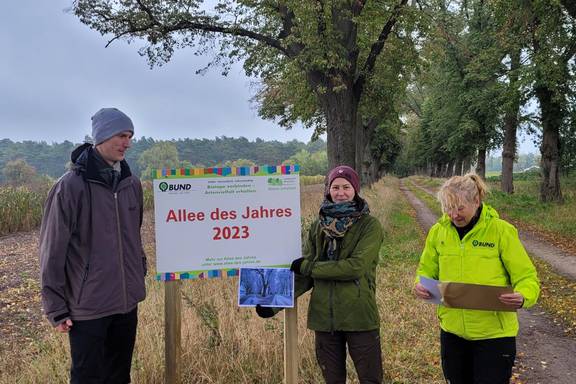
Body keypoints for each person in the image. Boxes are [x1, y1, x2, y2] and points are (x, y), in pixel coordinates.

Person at [39, 107, 147, 384]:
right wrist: (56, 307)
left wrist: (139, 272)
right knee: (87, 377)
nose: (127, 143)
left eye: (130, 136)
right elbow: (52, 251)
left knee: (120, 375)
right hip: (87, 306)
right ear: (101, 137)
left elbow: (134, 237)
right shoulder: (70, 187)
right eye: (121, 135)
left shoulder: (132, 184)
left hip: (125, 303)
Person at [256, 165, 384, 384]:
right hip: (324, 319)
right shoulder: (318, 226)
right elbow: (304, 275)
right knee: (332, 380)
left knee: (370, 379)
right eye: (335, 187)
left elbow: (355, 267)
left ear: (355, 189)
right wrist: (273, 301)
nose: (341, 192)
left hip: (359, 317)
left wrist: (309, 267)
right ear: (328, 190)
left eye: (346, 187)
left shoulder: (369, 226)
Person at [413, 173, 540, 384]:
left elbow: (527, 276)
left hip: (494, 337)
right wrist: (420, 285)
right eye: (448, 208)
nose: (454, 215)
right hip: (452, 333)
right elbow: (425, 271)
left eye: (460, 208)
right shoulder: (438, 232)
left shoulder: (501, 231)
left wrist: (523, 295)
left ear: (476, 201)